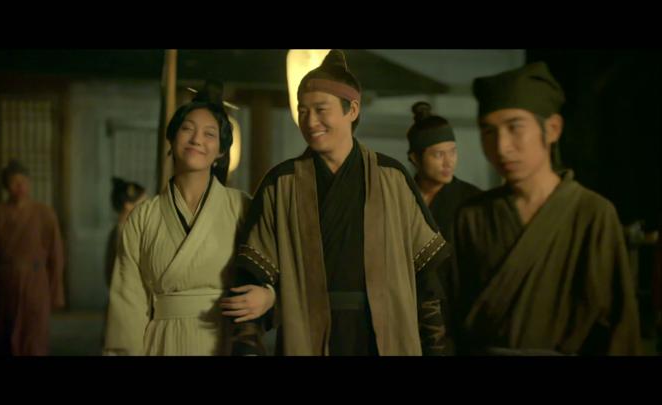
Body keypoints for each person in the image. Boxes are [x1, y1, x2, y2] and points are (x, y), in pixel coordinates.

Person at [223, 50, 450, 356]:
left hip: (383, 334)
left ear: (352, 109)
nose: (310, 121)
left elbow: (427, 277)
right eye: (303, 111)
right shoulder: (282, 183)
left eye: (321, 110)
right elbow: (252, 276)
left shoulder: (391, 177)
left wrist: (435, 348)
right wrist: (249, 343)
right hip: (306, 332)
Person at [453, 62, 642, 355]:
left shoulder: (592, 213)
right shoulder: (472, 216)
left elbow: (619, 327)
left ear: (552, 129)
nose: (501, 147)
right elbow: (453, 316)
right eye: (488, 132)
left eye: (515, 128)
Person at [104, 80, 257, 355]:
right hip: (162, 341)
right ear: (173, 138)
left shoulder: (241, 207)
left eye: (209, 134)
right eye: (187, 129)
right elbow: (128, 301)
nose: (197, 139)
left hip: (223, 339)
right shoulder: (143, 217)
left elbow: (266, 271)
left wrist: (268, 295)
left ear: (221, 151)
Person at [405, 101, 481, 352]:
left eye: (453, 152)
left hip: (454, 313)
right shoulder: (400, 198)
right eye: (438, 155)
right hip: (408, 308)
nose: (449, 162)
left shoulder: (472, 201)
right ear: (415, 158)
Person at [0, 159, 65, 355]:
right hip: (5, 284)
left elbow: (56, 255)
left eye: (23, 181)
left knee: (34, 338)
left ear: (29, 183)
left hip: (35, 283)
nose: (19, 186)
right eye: (14, 181)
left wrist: (56, 292)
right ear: (7, 186)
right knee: (3, 336)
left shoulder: (45, 214)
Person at [104, 177, 146, 288]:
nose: (147, 207)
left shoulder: (125, 229)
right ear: (128, 205)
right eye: (142, 203)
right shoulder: (125, 232)